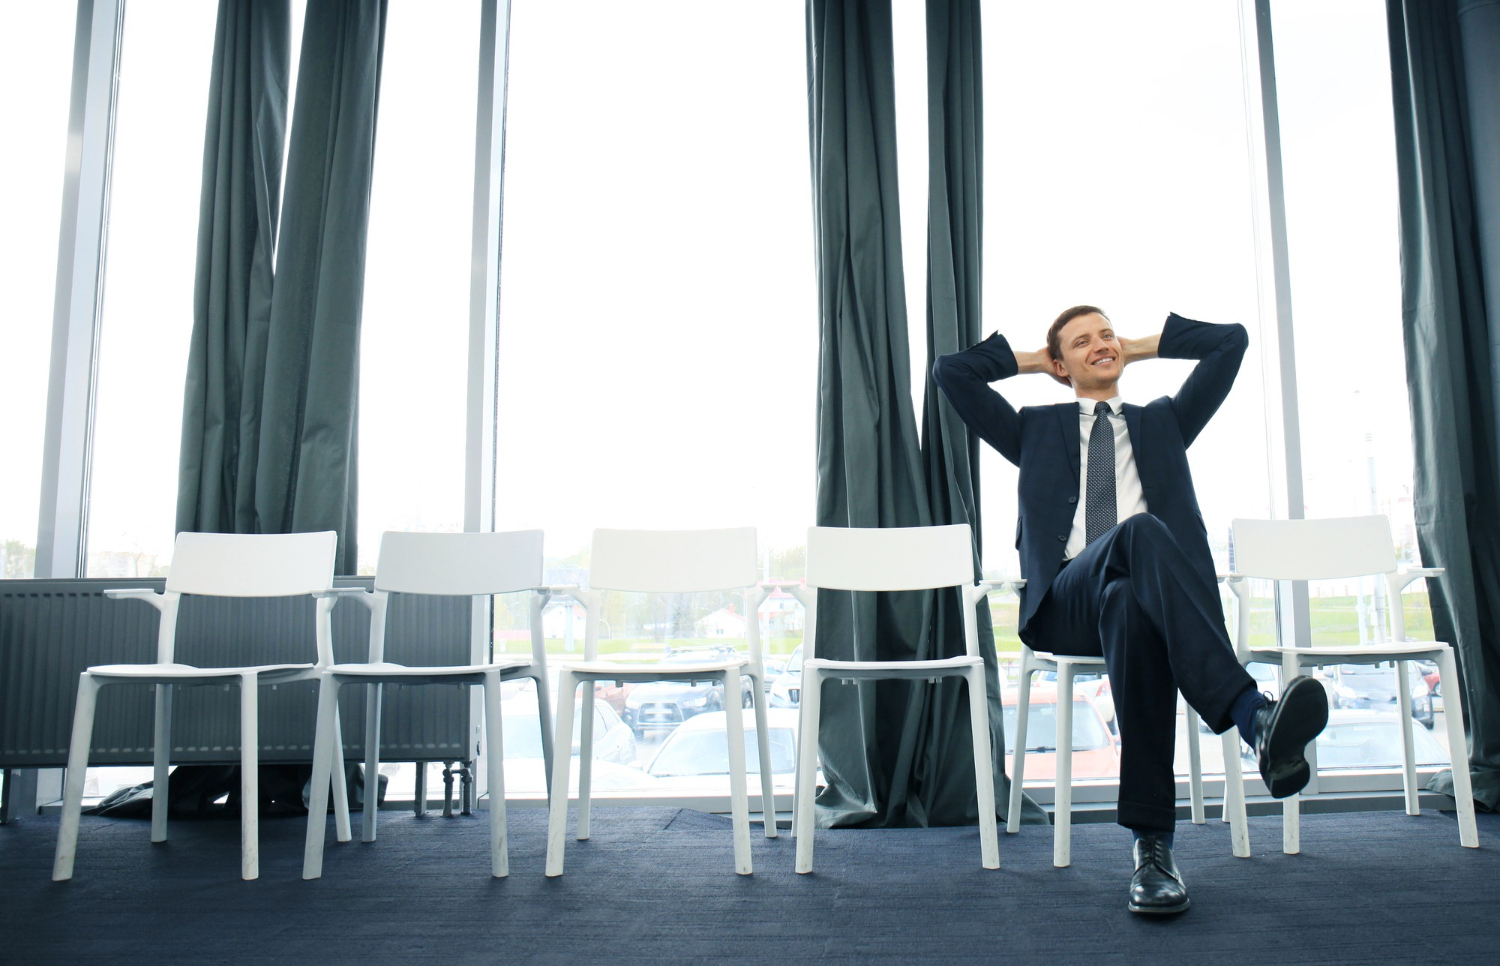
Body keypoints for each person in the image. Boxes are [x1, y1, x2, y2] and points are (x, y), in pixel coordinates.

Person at [933, 306, 1329, 916]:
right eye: (1083, 341)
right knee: (1140, 532)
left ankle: (1153, 852)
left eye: (1107, 334)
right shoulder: (1035, 427)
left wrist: (1138, 347)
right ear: (1062, 364)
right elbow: (952, 373)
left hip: (1142, 602)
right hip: (1065, 601)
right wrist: (1039, 361)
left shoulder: (1164, 422)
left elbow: (1230, 343)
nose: (1102, 344)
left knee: (1129, 604)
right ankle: (1251, 714)